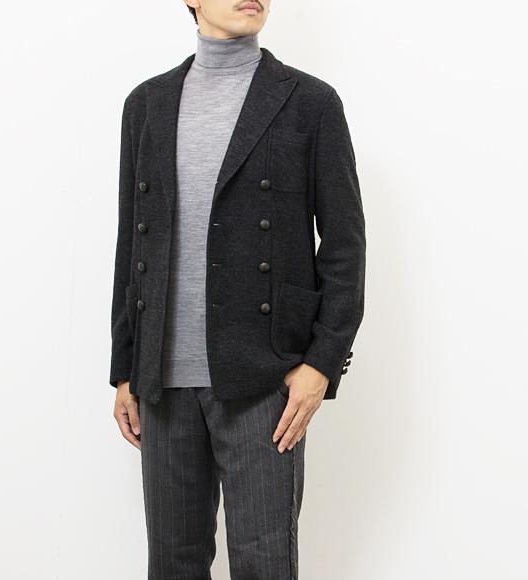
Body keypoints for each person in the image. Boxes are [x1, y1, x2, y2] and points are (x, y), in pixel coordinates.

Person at [109, 1, 366, 577]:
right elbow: (133, 243)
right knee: (172, 564)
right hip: (162, 383)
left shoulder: (310, 103)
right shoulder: (146, 104)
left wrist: (321, 364)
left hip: (265, 383)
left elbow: (345, 246)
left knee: (264, 564)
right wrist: (125, 368)